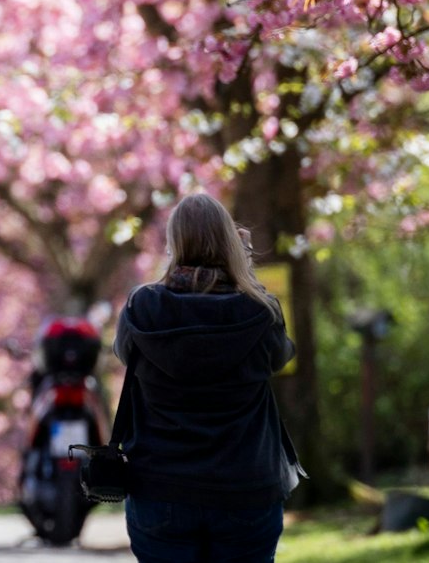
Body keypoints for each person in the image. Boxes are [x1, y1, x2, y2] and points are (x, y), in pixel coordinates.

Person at [116, 192, 299, 563]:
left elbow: (124, 354)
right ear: (231, 242)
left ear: (173, 243)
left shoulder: (142, 307)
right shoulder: (260, 310)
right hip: (246, 488)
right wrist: (244, 270)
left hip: (160, 486)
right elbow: (281, 356)